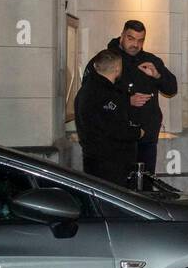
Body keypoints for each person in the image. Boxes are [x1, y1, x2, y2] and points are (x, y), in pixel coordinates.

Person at [87, 19, 177, 182]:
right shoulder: (106, 59)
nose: (135, 44)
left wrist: (157, 75)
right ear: (122, 35)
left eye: (140, 40)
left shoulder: (151, 60)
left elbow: (172, 89)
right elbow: (95, 96)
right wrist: (127, 101)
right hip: (117, 137)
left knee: (146, 182)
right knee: (120, 183)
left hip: (146, 135)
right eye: (131, 38)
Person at [75, 50, 142, 187]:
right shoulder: (107, 94)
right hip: (111, 164)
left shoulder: (84, 90)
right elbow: (115, 128)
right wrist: (137, 132)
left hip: (92, 159)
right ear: (117, 68)